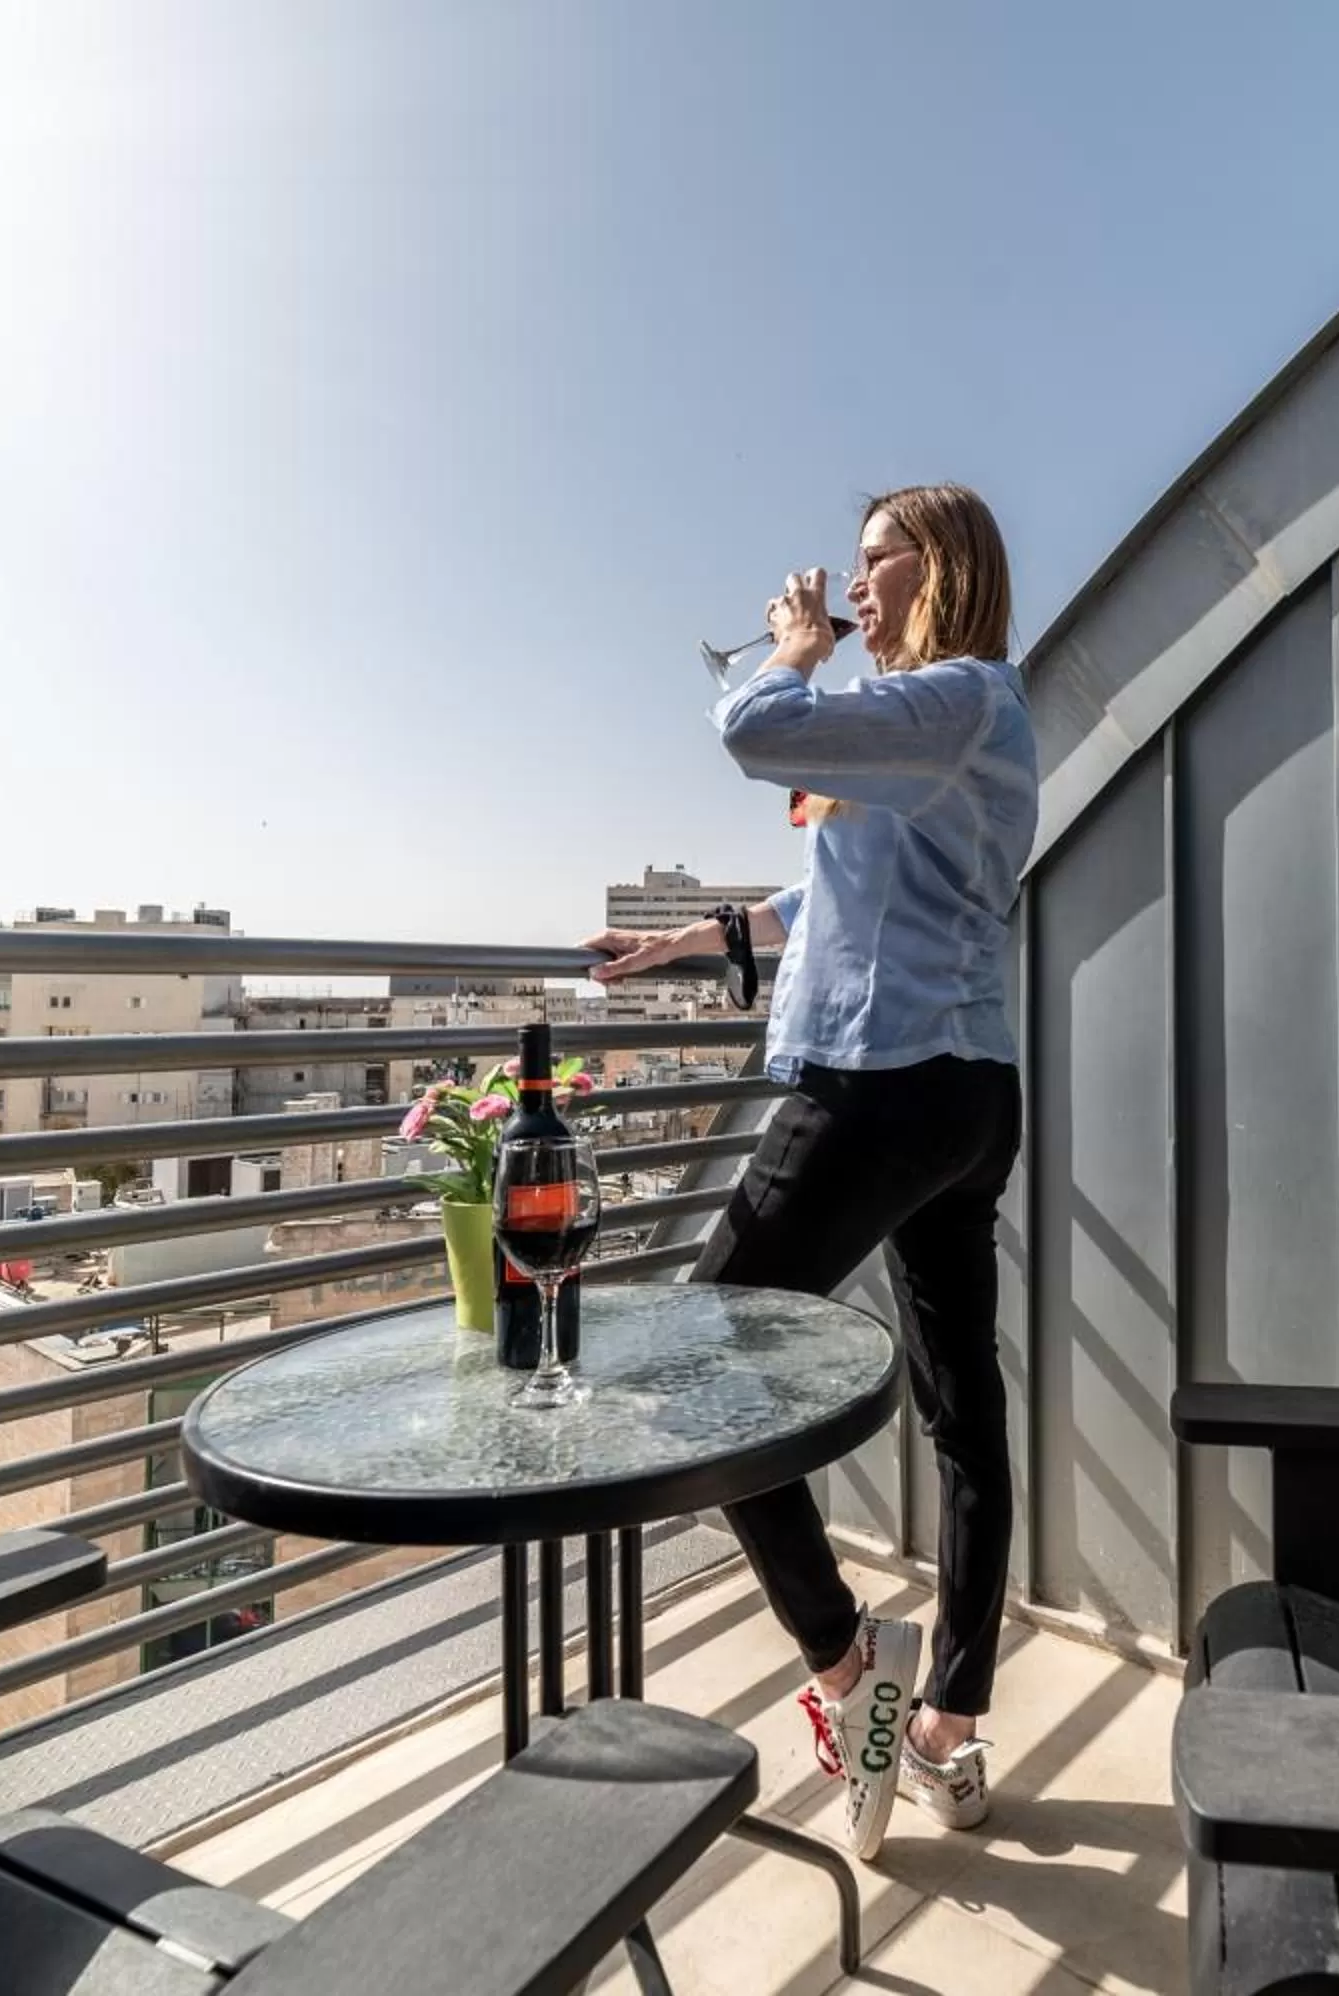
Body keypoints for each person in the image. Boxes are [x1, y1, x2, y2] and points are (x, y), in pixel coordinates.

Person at [584, 484, 1036, 1860]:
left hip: (884, 1088)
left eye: (871, 561)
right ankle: (950, 1722)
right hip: (959, 1093)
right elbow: (826, 886)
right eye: (838, 576)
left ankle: (849, 1675)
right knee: (964, 1408)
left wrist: (788, 645)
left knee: (691, 1378)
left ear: (937, 562)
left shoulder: (955, 696)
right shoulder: (927, 731)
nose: (848, 585)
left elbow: (756, 729)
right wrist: (691, 944)